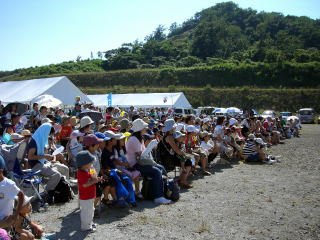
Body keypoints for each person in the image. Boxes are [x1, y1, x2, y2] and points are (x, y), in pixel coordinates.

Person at [126, 119, 171, 205]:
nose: (146, 129)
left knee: (161, 168)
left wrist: (150, 147)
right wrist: (150, 146)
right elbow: (141, 156)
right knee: (157, 171)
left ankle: (165, 191)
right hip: (134, 165)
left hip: (139, 162)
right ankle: (158, 197)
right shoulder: (134, 139)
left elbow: (143, 155)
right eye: (144, 127)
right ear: (140, 129)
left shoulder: (139, 138)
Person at [27, 123, 67, 198]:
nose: (48, 136)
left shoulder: (40, 140)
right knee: (56, 175)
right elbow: (30, 157)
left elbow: (42, 154)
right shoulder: (34, 141)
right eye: (48, 134)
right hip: (36, 165)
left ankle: (65, 189)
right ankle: (47, 194)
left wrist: (48, 154)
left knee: (65, 168)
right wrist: (45, 156)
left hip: (43, 162)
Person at [76, 151, 102, 232]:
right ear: (84, 164)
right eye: (90, 163)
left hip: (90, 195)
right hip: (85, 196)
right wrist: (94, 181)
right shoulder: (81, 173)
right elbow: (85, 185)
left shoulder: (87, 171)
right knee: (86, 212)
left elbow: (92, 178)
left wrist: (96, 179)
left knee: (91, 210)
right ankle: (85, 227)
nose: (91, 164)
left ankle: (89, 222)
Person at [0, 155, 25, 234]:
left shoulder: (8, 184)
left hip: (5, 221)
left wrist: (16, 214)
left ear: (0, 171)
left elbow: (21, 195)